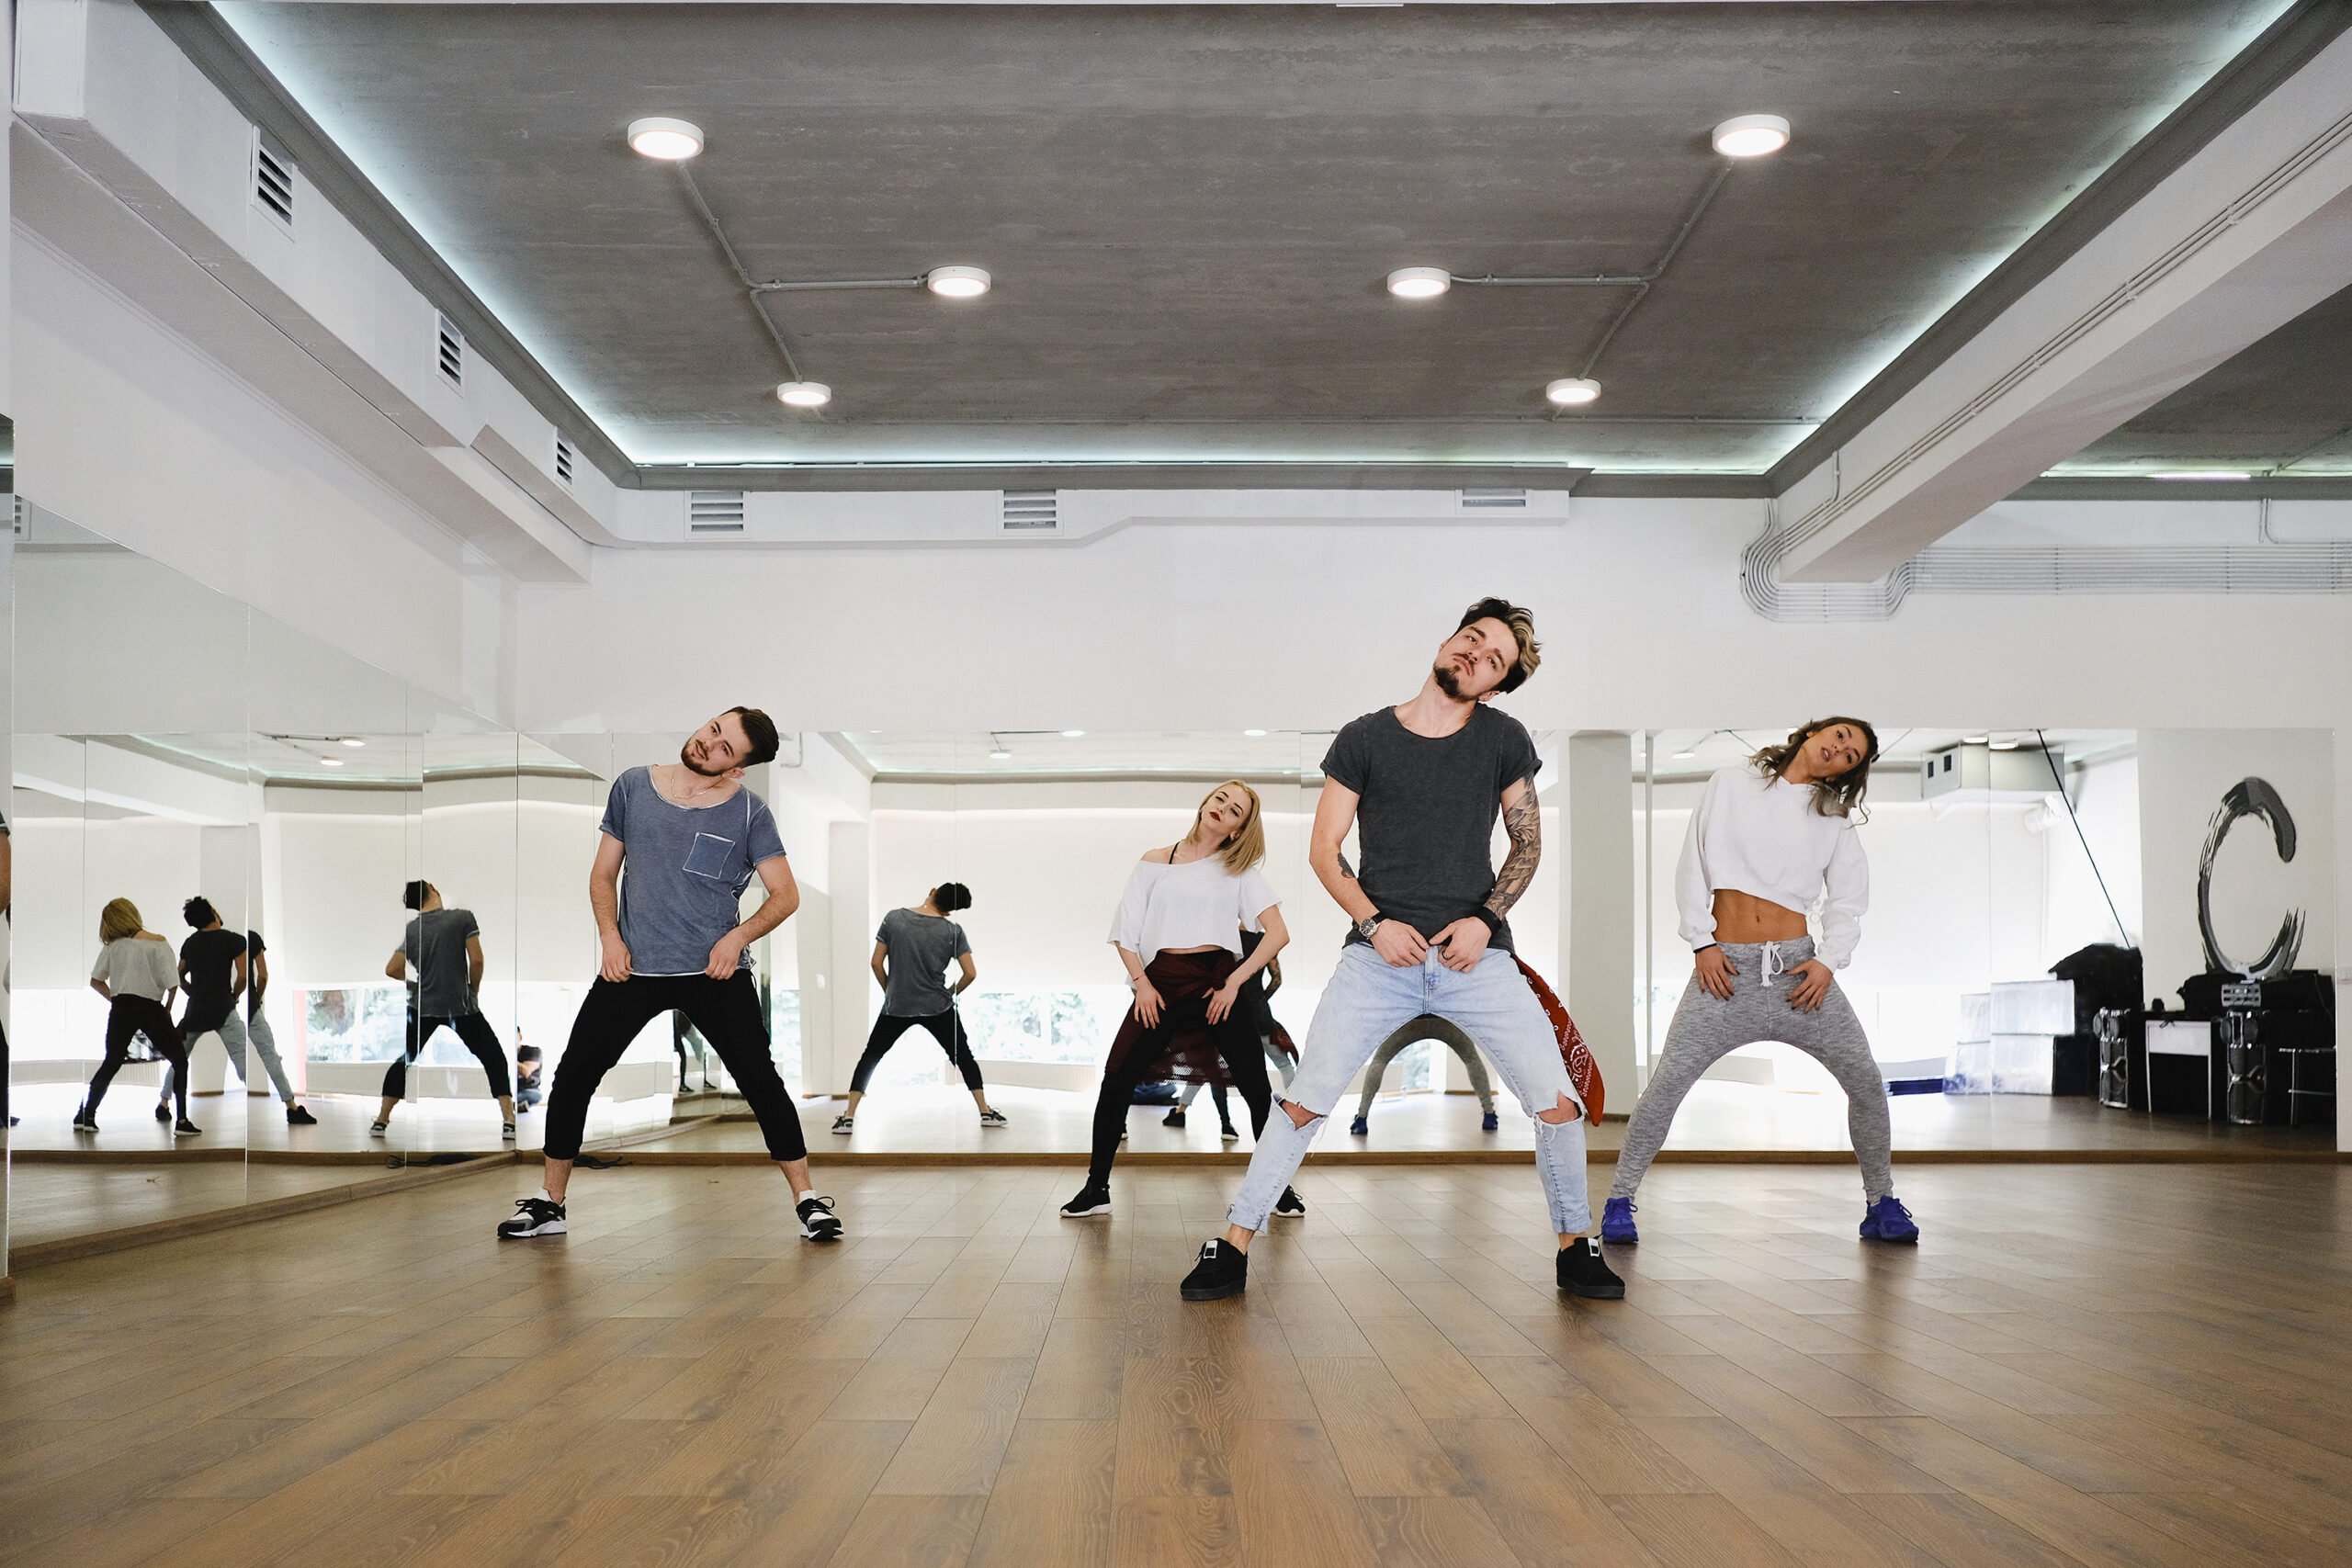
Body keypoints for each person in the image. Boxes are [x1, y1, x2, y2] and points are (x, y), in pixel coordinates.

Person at [1182, 597, 1623, 1302]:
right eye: (1472, 639)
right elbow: (1325, 852)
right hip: (1376, 959)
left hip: (1477, 958)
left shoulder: (1504, 738)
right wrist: (1374, 922)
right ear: (1450, 639)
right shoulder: (1364, 738)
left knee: (1558, 1102)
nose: (1476, 656)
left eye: (1494, 661)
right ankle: (1233, 1242)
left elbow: (1528, 841)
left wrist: (1484, 918)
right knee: (1303, 1102)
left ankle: (1576, 1245)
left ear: (1497, 685)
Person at [497, 707, 839, 1242]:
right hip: (632, 968)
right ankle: (550, 1203)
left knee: (761, 1082)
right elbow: (604, 873)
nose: (708, 743)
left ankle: (808, 1200)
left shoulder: (750, 814)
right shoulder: (633, 787)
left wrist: (738, 937)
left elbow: (786, 895)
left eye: (725, 749)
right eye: (713, 730)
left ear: (737, 769)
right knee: (574, 1077)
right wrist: (610, 937)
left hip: (714, 973)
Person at [1602, 718, 1919, 1247]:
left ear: (1849, 773)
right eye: (1840, 736)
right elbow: (1692, 867)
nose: (1840, 750)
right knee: (1666, 1086)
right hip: (1723, 970)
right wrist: (1702, 942)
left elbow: (1848, 899)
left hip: (1800, 975)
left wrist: (1827, 962)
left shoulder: (1834, 819)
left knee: (1865, 1081)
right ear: (1813, 732)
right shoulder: (1729, 784)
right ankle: (1619, 1199)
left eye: (1851, 755)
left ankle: (1881, 1202)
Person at [1063, 781, 1295, 1219]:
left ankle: (1277, 1190)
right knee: (1116, 1080)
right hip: (1162, 983)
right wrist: (1142, 984)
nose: (1223, 809)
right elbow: (1125, 931)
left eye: (1235, 811)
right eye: (1220, 799)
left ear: (1237, 829)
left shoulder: (1238, 870)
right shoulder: (1154, 861)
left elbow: (1278, 934)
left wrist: (1235, 983)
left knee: (1257, 1089)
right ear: (1206, 803)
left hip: (1216, 986)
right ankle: (1096, 1188)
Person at [837, 882, 1003, 1131]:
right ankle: (985, 1111)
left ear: (933, 890)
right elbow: (970, 973)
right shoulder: (952, 931)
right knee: (963, 1056)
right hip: (939, 1006)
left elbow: (875, 963)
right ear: (950, 911)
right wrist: (949, 994)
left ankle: (848, 1116)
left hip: (897, 1006)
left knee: (871, 1056)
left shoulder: (894, 919)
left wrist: (891, 991)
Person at [378, 881, 519, 1140]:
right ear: (433, 888)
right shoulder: (462, 918)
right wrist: (473, 991)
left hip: (423, 1007)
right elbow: (476, 960)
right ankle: (509, 1120)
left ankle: (381, 1120)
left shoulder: (413, 930)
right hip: (461, 1007)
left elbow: (392, 969)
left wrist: (414, 986)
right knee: (494, 1057)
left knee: (405, 1060)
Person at [165, 897, 315, 1126]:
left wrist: (193, 992)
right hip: (224, 1010)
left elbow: (179, 975)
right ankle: (291, 1107)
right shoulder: (234, 940)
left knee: (179, 1057)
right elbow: (244, 976)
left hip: (194, 1012)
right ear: (213, 912)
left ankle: (163, 1104)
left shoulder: (189, 943)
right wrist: (234, 997)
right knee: (243, 1060)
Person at [77, 898, 197, 1135]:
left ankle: (85, 1115)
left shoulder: (113, 946)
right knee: (179, 1060)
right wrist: (168, 1011)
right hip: (151, 1008)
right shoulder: (158, 943)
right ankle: (182, 1121)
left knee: (111, 1061)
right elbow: (173, 983)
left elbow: (96, 980)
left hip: (121, 1008)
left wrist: (117, 999)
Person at [1165, 936, 1295, 1140]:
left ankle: (1182, 1111)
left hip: (1230, 1010)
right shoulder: (1265, 941)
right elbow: (1277, 980)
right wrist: (1260, 1000)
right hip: (1260, 1015)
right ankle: (1296, 1108)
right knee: (1283, 1064)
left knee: (1207, 1065)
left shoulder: (1227, 939)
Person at [1350, 1015, 1499, 1134]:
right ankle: (1489, 1115)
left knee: (1380, 1060)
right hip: (1445, 1020)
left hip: (1409, 1020)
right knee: (1471, 1059)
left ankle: (1361, 1118)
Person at [514, 1041, 545, 1111]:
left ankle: (513, 1105)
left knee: (536, 1096)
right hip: (512, 1091)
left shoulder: (533, 1051)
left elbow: (526, 1072)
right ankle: (514, 1105)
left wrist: (510, 1059)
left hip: (528, 1090)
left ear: (520, 1037)